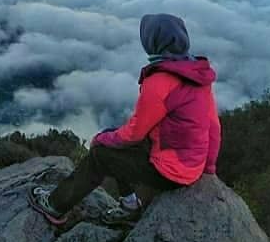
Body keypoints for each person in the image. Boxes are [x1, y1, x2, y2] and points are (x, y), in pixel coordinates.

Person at [28, 13, 221, 226]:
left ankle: (55, 205)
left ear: (153, 42)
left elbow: (135, 133)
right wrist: (208, 169)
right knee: (113, 139)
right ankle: (129, 205)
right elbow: (213, 127)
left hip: (170, 171)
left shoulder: (160, 82)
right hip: (187, 162)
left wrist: (100, 140)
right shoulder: (197, 75)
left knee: (102, 153)